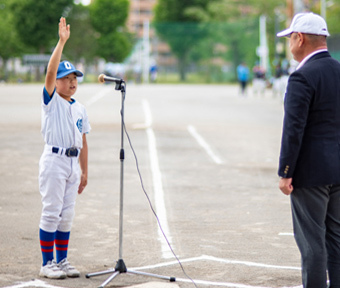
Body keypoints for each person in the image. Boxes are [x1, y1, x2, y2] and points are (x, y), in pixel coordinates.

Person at [277, 12, 340, 288]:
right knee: (336, 240)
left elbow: (294, 129)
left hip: (311, 173)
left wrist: (286, 172)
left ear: (299, 38)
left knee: (312, 243)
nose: (290, 44)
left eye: (290, 37)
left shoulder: (302, 77)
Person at [38, 17, 91, 279]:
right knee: (51, 212)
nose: (71, 82)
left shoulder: (79, 107)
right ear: (55, 82)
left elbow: (83, 141)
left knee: (66, 214)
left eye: (74, 78)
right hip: (54, 161)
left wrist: (84, 171)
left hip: (72, 164)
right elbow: (49, 72)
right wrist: (61, 42)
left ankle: (62, 260)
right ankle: (47, 263)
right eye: (65, 78)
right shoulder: (51, 102)